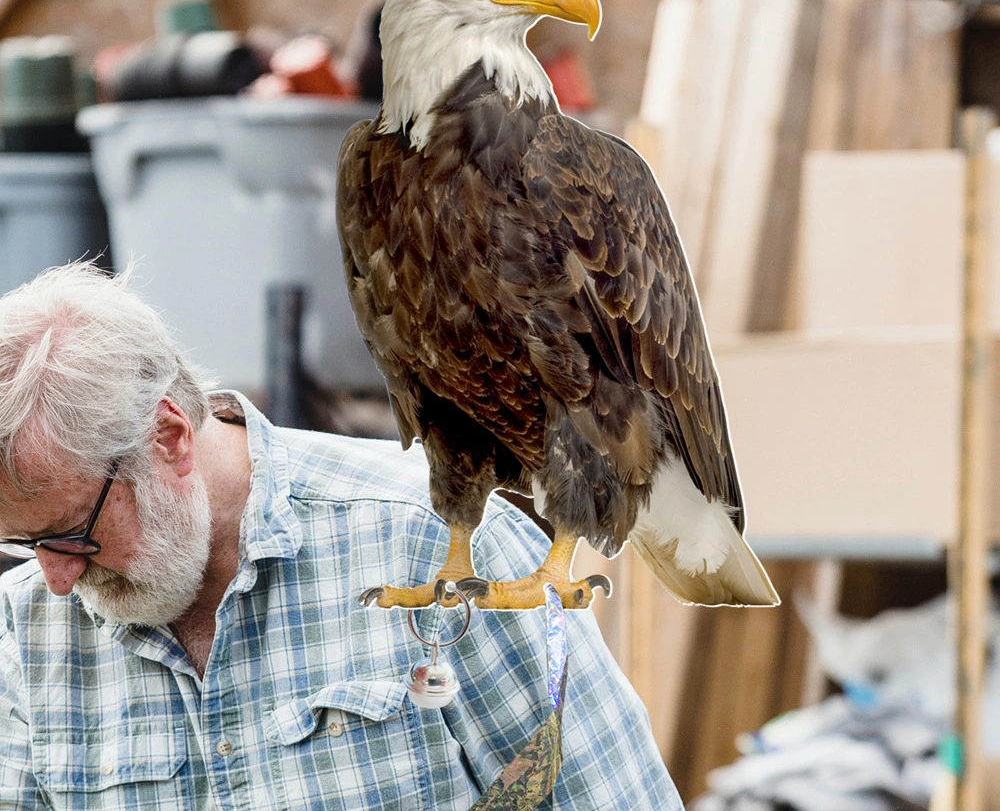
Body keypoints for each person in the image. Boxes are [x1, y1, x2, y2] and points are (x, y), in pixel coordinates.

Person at [0, 263, 681, 810]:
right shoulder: (25, 628)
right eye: (26, 543)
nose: (57, 579)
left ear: (169, 437)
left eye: (72, 534)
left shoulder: (432, 547)